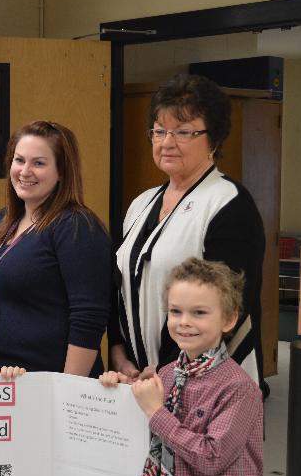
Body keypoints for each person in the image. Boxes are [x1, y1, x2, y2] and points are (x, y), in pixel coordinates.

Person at [100, 258, 263, 476]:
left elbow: (210, 457)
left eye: (199, 313)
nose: (184, 322)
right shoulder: (167, 374)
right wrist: (115, 392)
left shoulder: (239, 388)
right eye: (176, 312)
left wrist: (156, 412)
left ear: (228, 319)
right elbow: (143, 423)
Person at [110, 74, 265, 386]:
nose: (167, 142)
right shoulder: (141, 204)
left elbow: (228, 305)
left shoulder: (228, 204)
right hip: (140, 381)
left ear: (214, 139)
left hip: (205, 385)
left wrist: (169, 371)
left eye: (183, 132)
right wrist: (118, 353)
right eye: (159, 131)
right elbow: (120, 286)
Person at [0, 120, 111, 376]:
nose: (25, 171)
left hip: (43, 382)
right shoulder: (1, 220)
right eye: (19, 160)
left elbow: (88, 317)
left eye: (39, 163)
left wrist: (68, 392)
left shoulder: (76, 227)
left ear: (62, 172)